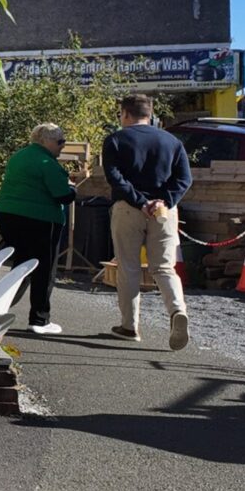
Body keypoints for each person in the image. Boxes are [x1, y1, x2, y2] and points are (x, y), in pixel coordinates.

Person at [101, 93, 192, 349]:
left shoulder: (116, 140)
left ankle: (129, 327)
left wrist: (140, 201)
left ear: (125, 114)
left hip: (128, 208)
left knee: (128, 266)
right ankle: (177, 311)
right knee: (164, 267)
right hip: (164, 212)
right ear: (150, 114)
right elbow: (184, 179)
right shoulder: (172, 141)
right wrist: (164, 200)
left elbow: (115, 177)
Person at [0, 124, 84, 335]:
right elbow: (62, 195)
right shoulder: (47, 162)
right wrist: (72, 187)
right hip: (40, 218)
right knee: (44, 269)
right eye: (60, 141)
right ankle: (39, 319)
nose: (63, 145)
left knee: (21, 267)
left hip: (7, 214)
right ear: (45, 141)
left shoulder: (19, 156)